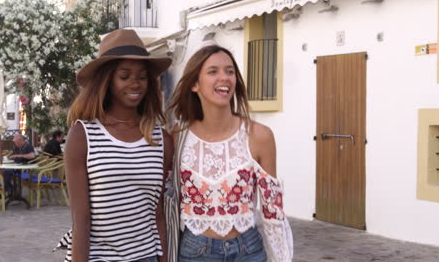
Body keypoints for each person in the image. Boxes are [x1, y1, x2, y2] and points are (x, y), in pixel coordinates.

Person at [168, 45, 293, 262]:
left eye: (230, 71)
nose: (224, 78)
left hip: (249, 250)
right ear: (195, 84)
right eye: (213, 71)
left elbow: (273, 213)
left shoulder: (260, 136)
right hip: (195, 251)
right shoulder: (177, 138)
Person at [57, 29, 173, 262]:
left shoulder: (161, 140)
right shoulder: (83, 135)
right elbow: (81, 220)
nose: (135, 83)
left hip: (147, 256)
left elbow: (158, 214)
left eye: (142, 77)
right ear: (107, 80)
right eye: (125, 75)